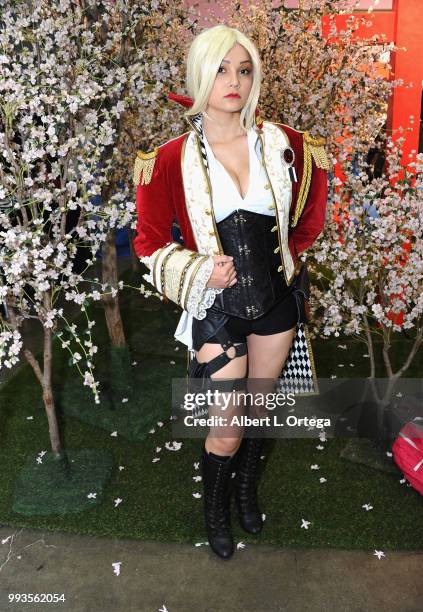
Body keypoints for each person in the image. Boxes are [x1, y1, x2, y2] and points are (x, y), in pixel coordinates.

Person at [133, 25, 328, 560]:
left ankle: (245, 493)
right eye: (221, 69)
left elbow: (310, 215)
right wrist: (197, 271)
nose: (234, 80)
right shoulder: (169, 159)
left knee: (259, 414)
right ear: (200, 74)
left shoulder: (283, 144)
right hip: (217, 312)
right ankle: (215, 511)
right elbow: (148, 245)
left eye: (244, 69)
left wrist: (286, 259)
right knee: (226, 430)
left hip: (276, 305)